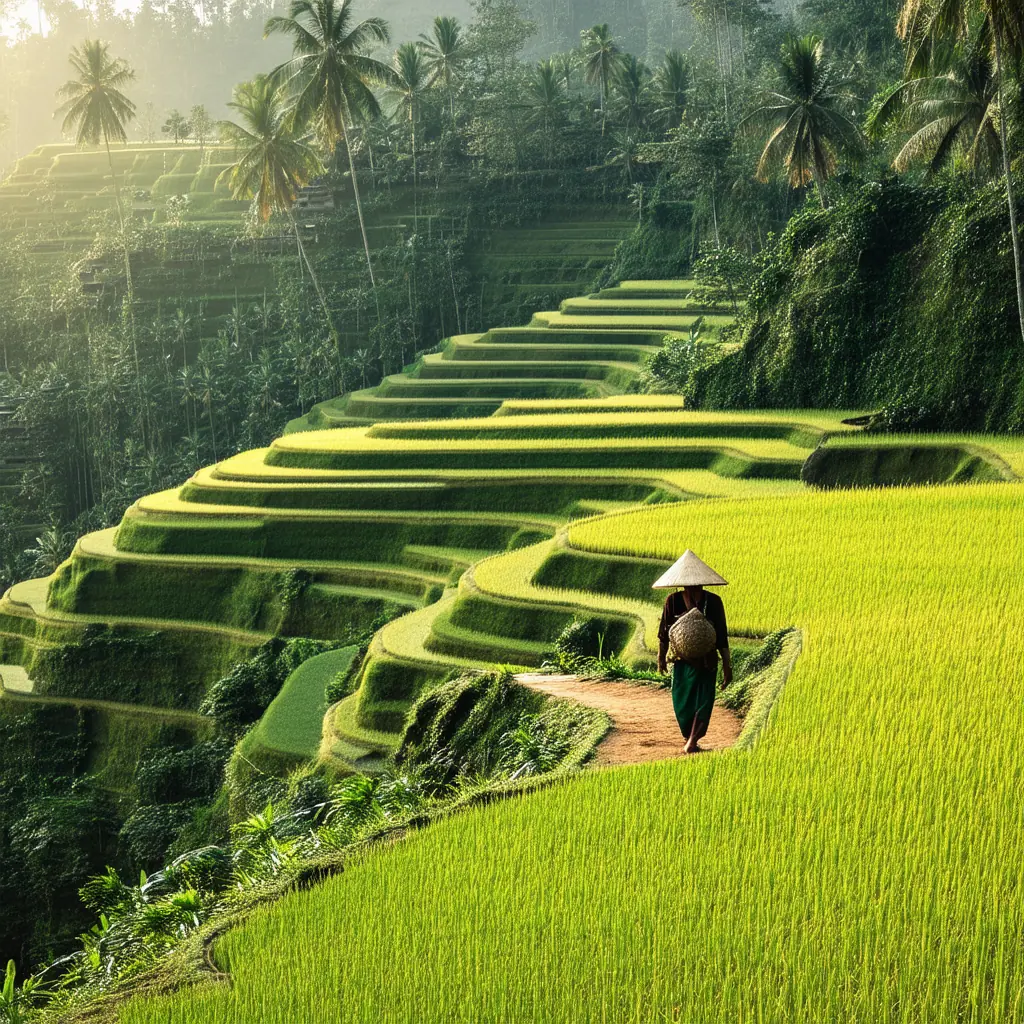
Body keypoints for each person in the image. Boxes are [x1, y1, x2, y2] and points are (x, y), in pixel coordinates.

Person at [654, 550, 732, 755]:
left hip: (707, 660)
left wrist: (726, 665)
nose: (693, 586)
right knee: (682, 702)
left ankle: (693, 740)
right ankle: (689, 737)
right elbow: (664, 633)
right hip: (682, 660)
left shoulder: (713, 602)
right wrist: (661, 658)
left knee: (704, 700)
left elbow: (721, 635)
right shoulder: (673, 601)